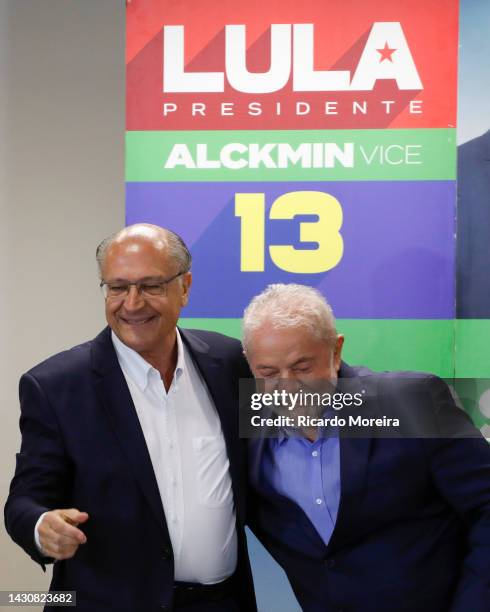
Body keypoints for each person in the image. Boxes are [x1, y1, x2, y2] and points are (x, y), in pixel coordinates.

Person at [4, 224, 256, 612]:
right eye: (118, 288)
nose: (132, 304)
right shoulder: (55, 385)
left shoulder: (228, 362)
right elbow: (25, 500)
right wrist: (42, 527)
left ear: (185, 287)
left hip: (222, 602)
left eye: (151, 286)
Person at [243, 283, 490, 612]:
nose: (288, 387)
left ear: (336, 351)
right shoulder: (245, 431)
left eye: (302, 368)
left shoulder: (412, 402)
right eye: (268, 373)